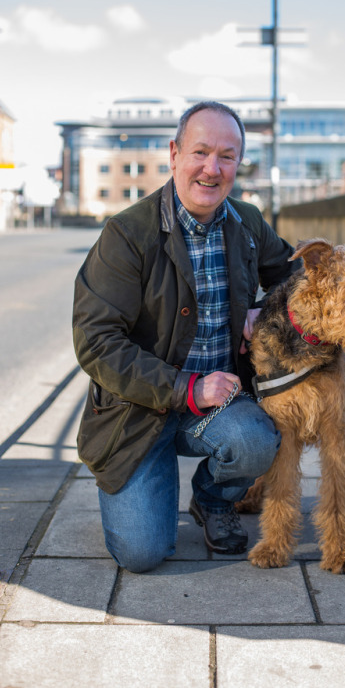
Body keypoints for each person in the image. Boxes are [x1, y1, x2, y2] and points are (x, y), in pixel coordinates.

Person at [73, 101, 299, 573]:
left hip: (220, 407)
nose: (211, 169)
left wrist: (263, 307)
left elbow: (293, 279)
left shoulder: (247, 223)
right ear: (174, 154)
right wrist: (186, 388)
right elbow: (96, 341)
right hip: (140, 414)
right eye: (200, 152)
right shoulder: (126, 234)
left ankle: (212, 499)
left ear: (239, 162)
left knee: (258, 439)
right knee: (141, 554)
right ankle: (146, 483)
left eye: (227, 156)